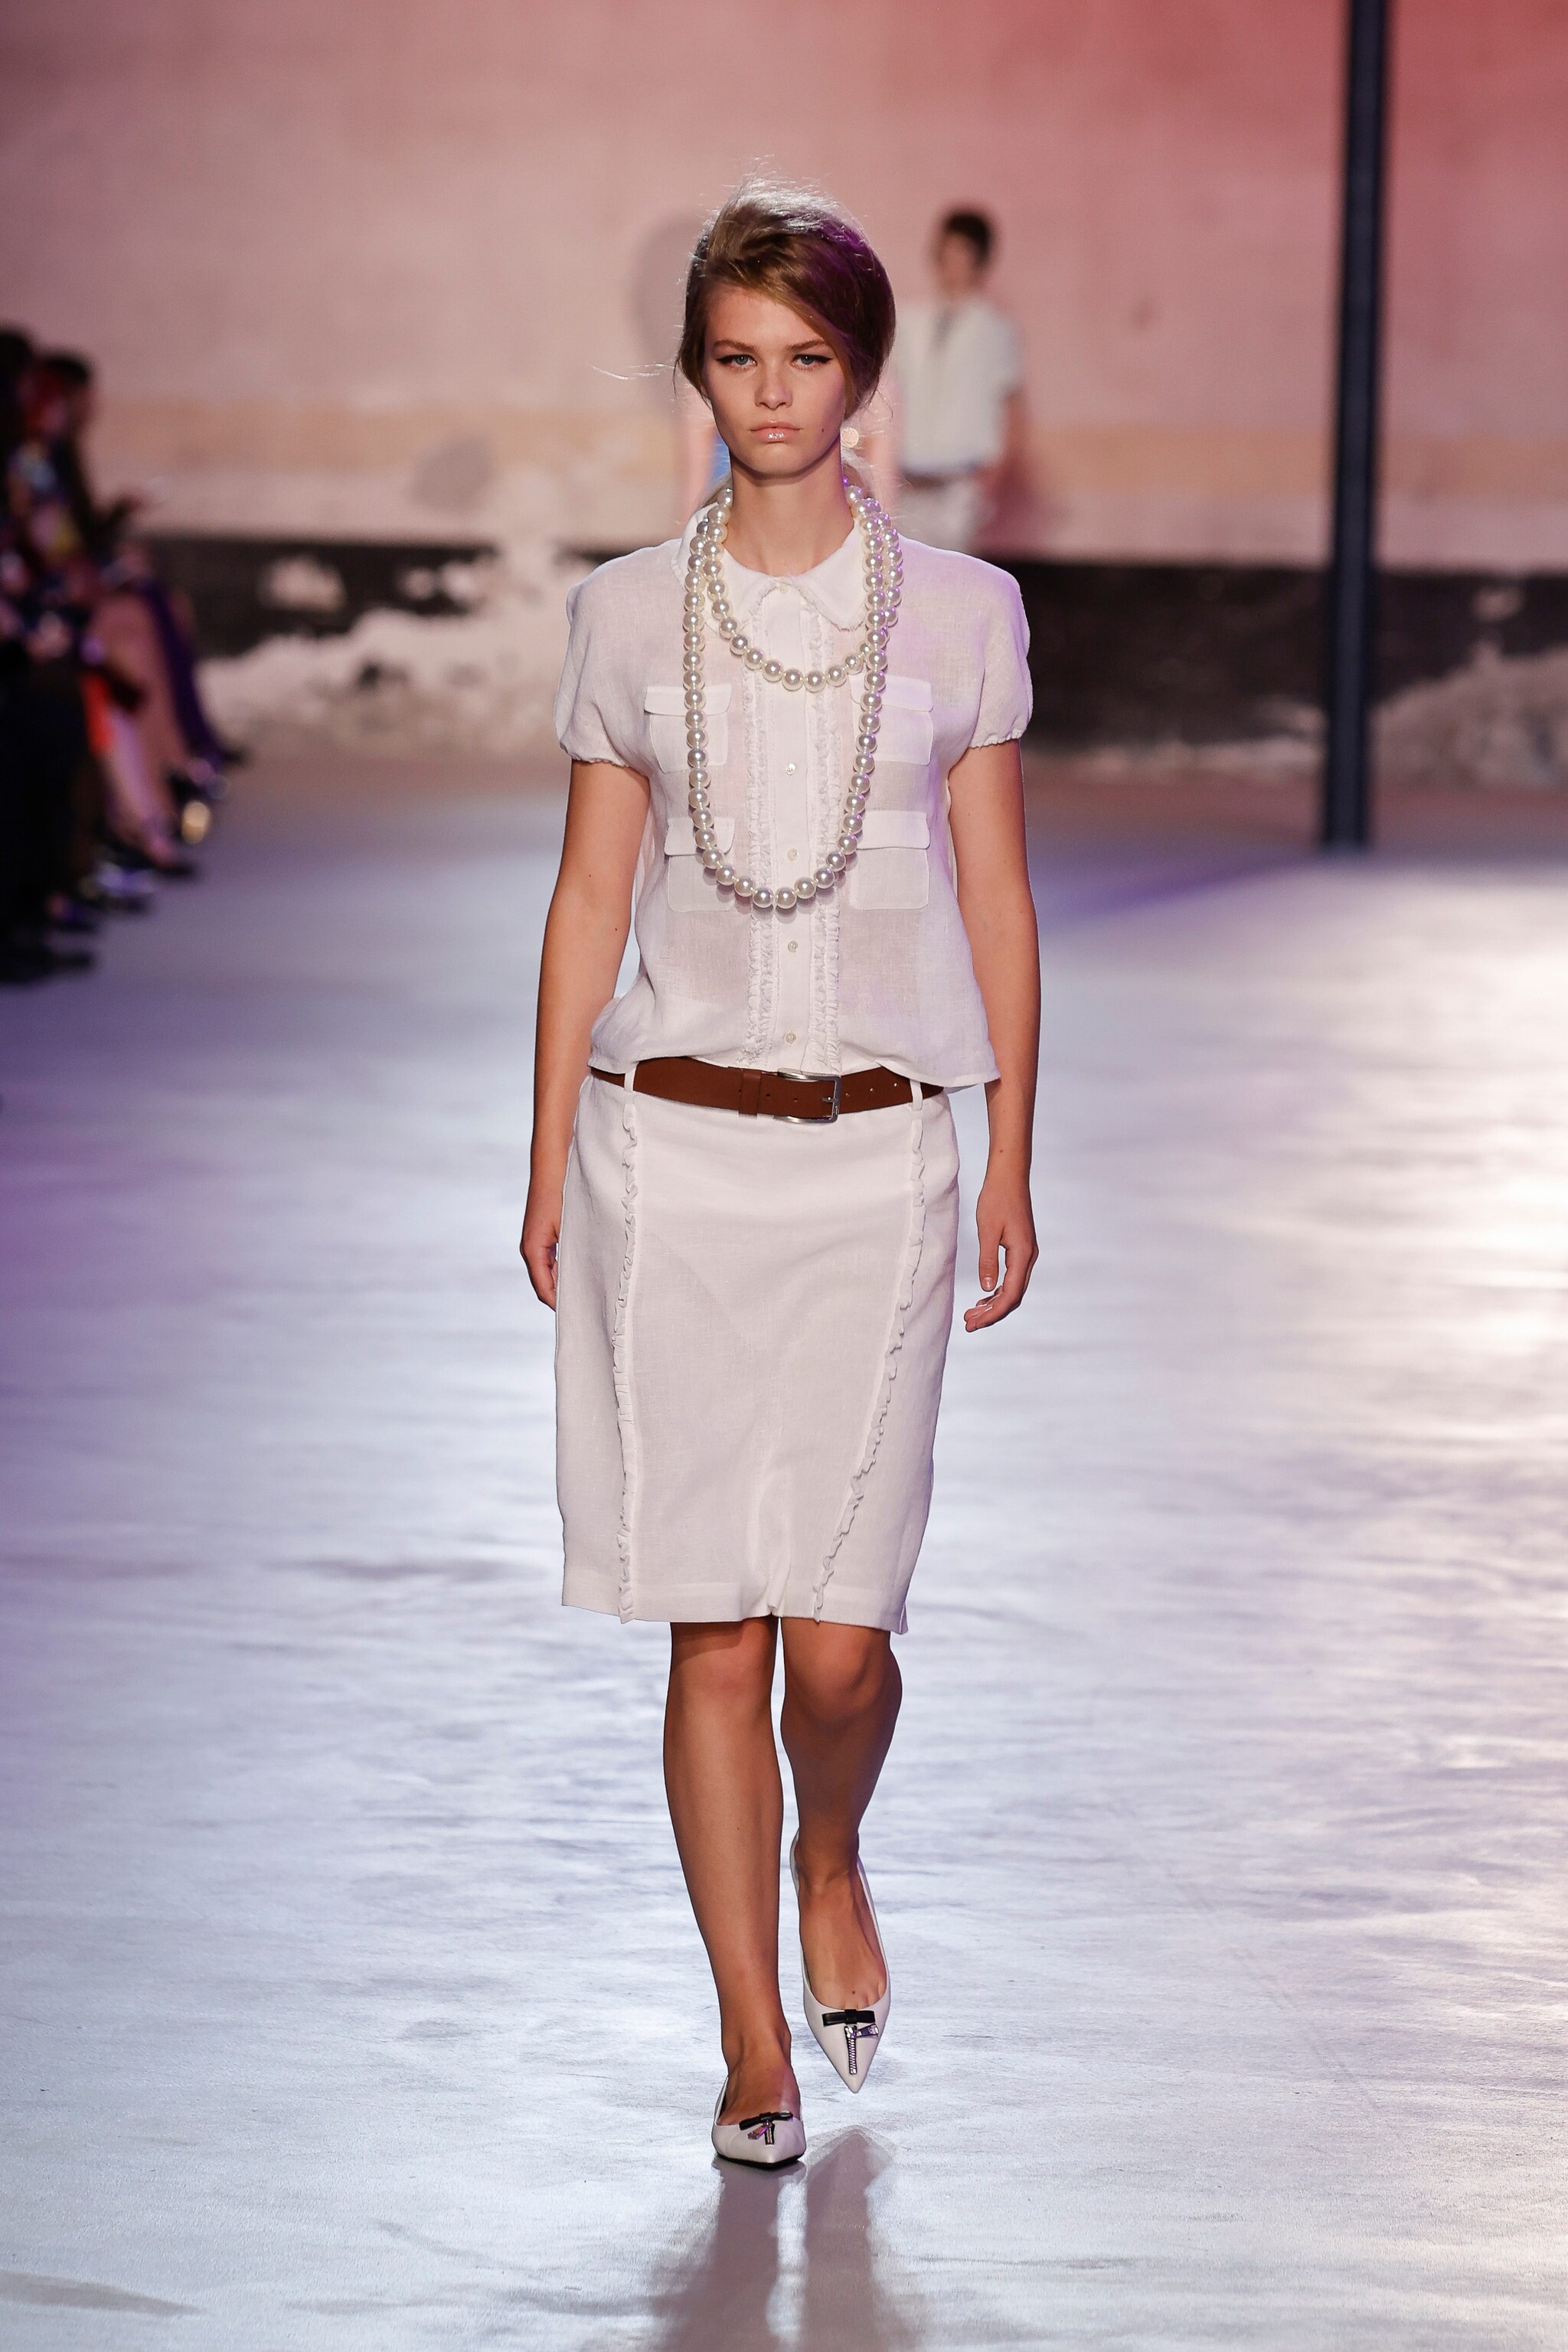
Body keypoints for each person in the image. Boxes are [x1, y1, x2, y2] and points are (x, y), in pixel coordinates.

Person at [521, 184, 1040, 2167]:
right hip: (665, 1154)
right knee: (716, 1626)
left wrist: (1012, 1147)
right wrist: (544, 1152)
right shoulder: (625, 612)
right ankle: (748, 2037)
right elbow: (590, 894)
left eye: (805, 357)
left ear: (861, 373)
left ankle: (836, 1849)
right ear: (696, 370)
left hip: (880, 1161)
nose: (770, 393)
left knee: (840, 1641)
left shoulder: (966, 615)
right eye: (736, 357)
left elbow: (997, 896)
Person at [893, 207, 1025, 553]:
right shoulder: (910, 322)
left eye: (962, 253)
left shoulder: (996, 330)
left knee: (956, 576)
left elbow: (1010, 409)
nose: (952, 263)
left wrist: (986, 487)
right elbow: (890, 394)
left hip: (959, 484)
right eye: (946, 251)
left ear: (979, 261)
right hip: (909, 483)